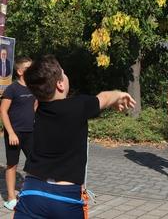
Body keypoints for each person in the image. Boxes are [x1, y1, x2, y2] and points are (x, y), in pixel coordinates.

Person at [14, 55, 135, 218]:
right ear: (60, 84)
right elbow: (104, 98)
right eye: (63, 73)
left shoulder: (38, 108)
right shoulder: (79, 106)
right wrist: (119, 94)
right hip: (65, 197)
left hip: (31, 193)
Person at [0, 57, 36, 210]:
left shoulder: (34, 87)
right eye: (28, 68)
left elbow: (35, 104)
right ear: (20, 71)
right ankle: (11, 198)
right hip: (14, 134)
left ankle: (32, 193)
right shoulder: (12, 89)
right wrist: (11, 133)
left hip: (31, 133)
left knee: (36, 164)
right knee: (12, 164)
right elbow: (3, 110)